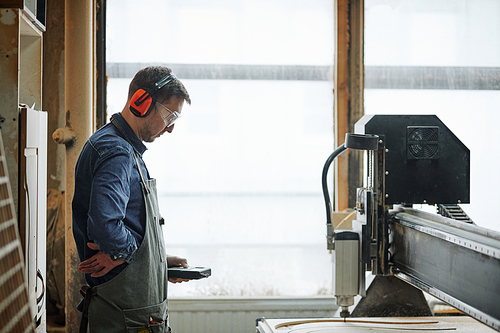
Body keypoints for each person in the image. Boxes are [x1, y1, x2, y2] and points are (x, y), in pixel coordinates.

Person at [72, 66, 191, 333]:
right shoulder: (117, 152)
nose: (170, 128)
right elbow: (106, 226)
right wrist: (127, 253)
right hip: (125, 315)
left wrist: (158, 261)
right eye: (169, 114)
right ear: (141, 101)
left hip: (129, 310)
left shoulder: (118, 146)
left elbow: (128, 230)